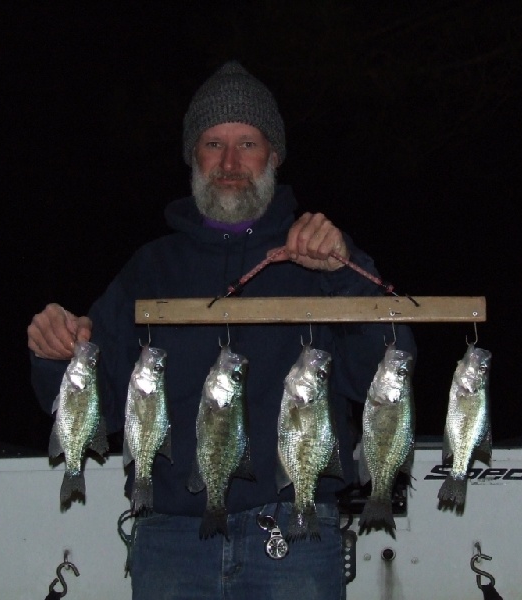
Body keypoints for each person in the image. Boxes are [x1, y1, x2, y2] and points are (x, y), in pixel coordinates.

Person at [27, 60, 417, 600]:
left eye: (247, 143)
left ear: (274, 156)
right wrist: (56, 354)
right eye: (213, 143)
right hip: (169, 540)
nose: (230, 162)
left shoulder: (320, 254)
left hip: (296, 539)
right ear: (193, 156)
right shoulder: (149, 269)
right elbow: (101, 400)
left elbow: (386, 373)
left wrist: (348, 277)